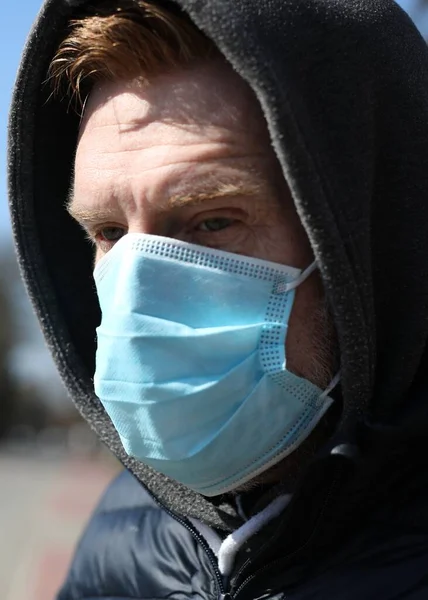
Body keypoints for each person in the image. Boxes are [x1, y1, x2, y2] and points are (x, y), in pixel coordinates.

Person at [8, 0, 428, 598]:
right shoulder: (123, 534)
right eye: (109, 233)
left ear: (373, 238)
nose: (137, 287)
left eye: (212, 222)